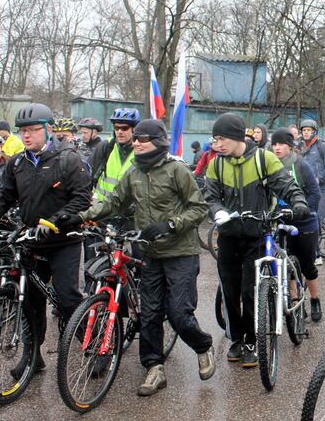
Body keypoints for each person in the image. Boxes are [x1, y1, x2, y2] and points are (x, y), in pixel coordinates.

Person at [60, 119, 216, 396]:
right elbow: (113, 202)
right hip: (149, 253)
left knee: (179, 314)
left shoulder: (176, 170)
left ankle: (203, 345)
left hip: (180, 252)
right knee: (150, 313)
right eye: (135, 140)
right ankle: (154, 368)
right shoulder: (133, 172)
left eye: (141, 140)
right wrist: (80, 216)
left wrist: (170, 225)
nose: (135, 143)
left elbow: (199, 208)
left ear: (157, 142)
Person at [0, 103, 91, 377]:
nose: (27, 136)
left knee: (67, 298)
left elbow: (81, 199)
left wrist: (57, 220)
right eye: (23, 131)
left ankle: (94, 346)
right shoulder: (18, 162)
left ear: (48, 129)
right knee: (30, 302)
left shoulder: (68, 159)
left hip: (64, 240)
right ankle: (33, 356)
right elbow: (3, 198)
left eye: (33, 130)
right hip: (31, 239)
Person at [204, 113, 309, 366]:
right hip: (228, 236)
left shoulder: (264, 159)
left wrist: (298, 201)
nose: (217, 144)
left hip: (258, 234)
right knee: (230, 291)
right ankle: (236, 338)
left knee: (251, 291)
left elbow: (286, 185)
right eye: (215, 139)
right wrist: (217, 210)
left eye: (221, 139)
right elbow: (210, 196)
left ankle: (252, 339)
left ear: (235, 136)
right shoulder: (216, 164)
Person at [270, 128, 323, 321]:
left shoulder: (301, 165)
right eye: (274, 144)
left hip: (305, 223)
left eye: (281, 144)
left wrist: (303, 209)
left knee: (307, 266)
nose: (277, 148)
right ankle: (296, 302)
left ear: (290, 146)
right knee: (289, 265)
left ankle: (315, 300)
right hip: (282, 222)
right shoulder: (270, 165)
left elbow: (315, 193)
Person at [300, 119, 325, 264]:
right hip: (307, 190)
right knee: (307, 220)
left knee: (316, 221)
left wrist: (319, 179)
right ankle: (308, 251)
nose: (306, 132)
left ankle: (316, 255)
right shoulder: (304, 149)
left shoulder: (323, 147)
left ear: (314, 131)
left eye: (308, 130)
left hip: (322, 190)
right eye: (304, 130)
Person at [91, 108, 140, 202]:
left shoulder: (141, 150)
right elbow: (89, 177)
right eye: (116, 128)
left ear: (134, 129)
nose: (120, 131)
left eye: (124, 128)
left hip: (128, 212)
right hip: (102, 209)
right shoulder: (106, 146)